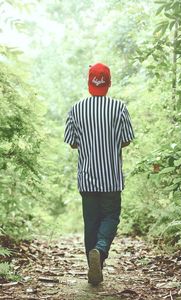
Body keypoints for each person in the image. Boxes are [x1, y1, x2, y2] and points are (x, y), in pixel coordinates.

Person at [64, 62, 134, 285]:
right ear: (109, 83)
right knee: (111, 216)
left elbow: (72, 143)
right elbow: (126, 139)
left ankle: (94, 266)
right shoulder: (119, 107)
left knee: (91, 222)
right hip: (111, 176)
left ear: (89, 83)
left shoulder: (76, 109)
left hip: (87, 176)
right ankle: (101, 251)